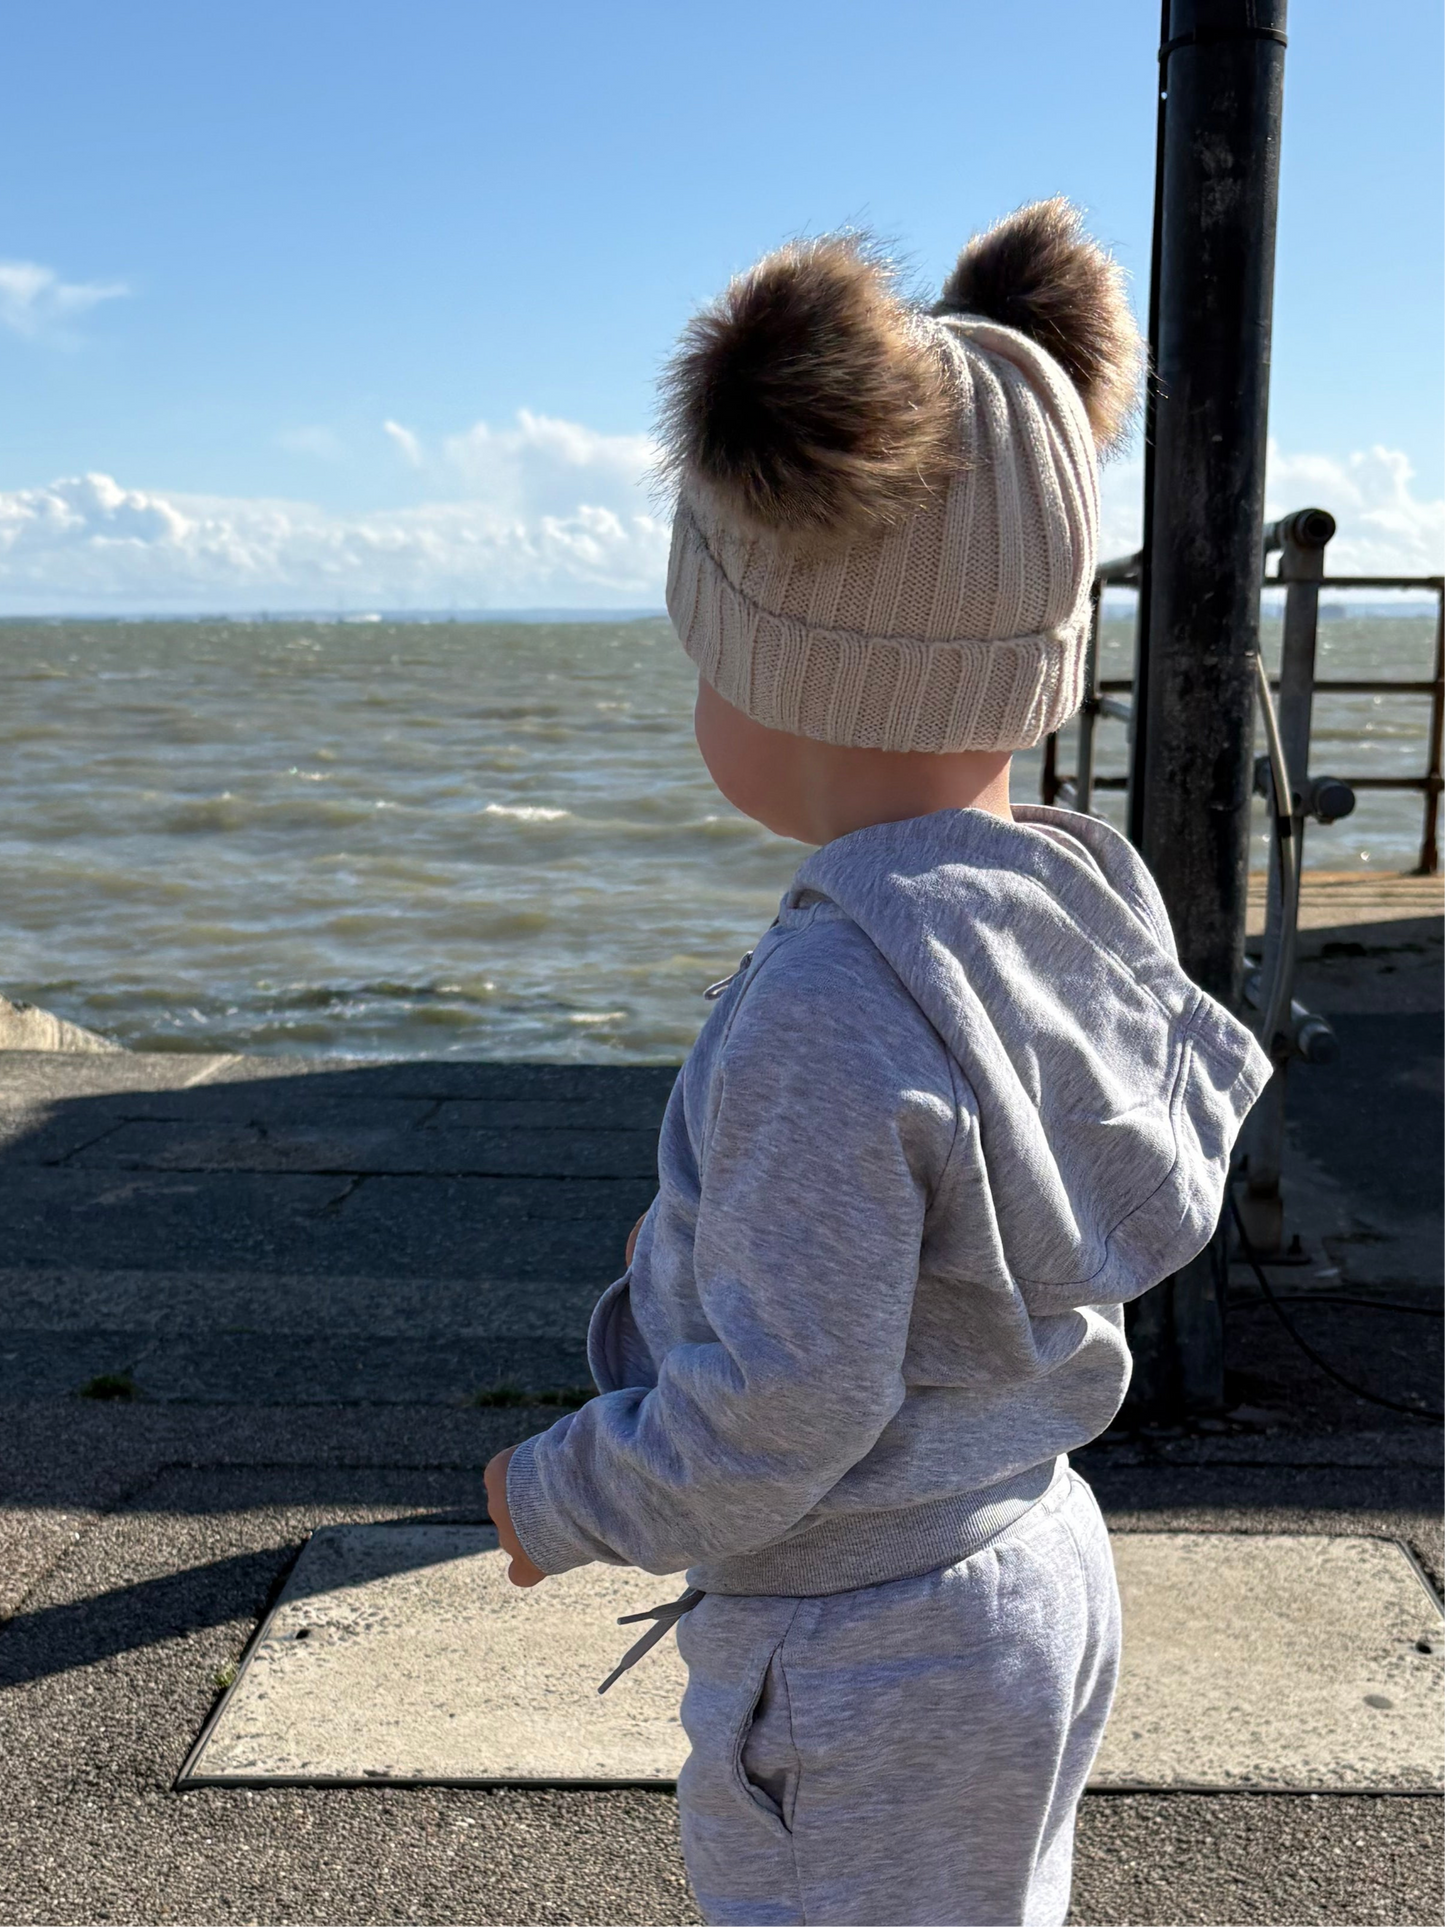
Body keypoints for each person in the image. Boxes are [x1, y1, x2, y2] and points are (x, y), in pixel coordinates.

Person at [483, 198, 1271, 1926]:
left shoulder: (828, 1009)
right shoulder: (1067, 906)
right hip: (1034, 1561)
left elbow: (786, 1401)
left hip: (864, 1645)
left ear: (782, 674)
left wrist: (560, 1486)